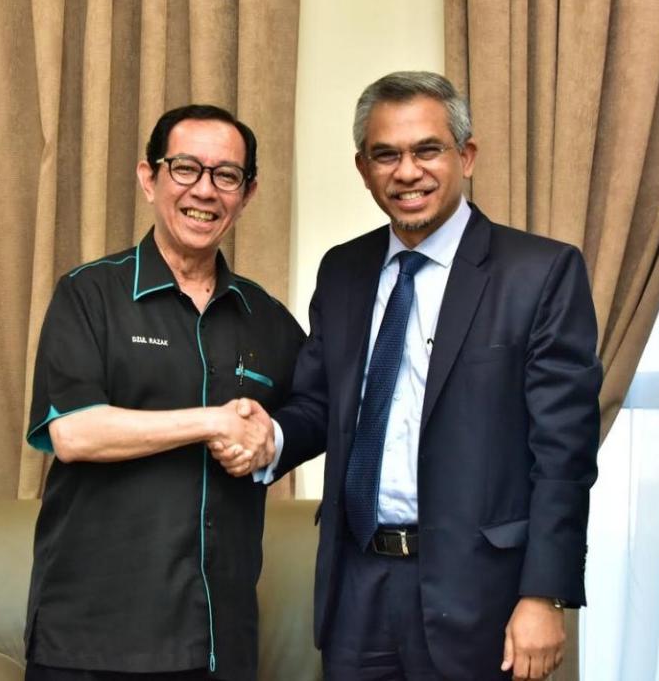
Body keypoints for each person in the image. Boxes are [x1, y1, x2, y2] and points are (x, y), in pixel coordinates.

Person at [216, 71, 602, 680]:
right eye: (386, 155)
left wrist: (544, 595)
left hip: (482, 595)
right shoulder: (343, 270)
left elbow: (564, 454)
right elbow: (318, 405)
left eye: (427, 150)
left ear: (466, 156)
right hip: (356, 588)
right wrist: (270, 437)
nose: (407, 171)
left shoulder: (541, 272)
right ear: (364, 168)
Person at [22, 104, 305, 681]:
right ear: (148, 178)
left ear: (246, 194)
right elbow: (72, 432)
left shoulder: (268, 318)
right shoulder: (89, 294)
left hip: (218, 640)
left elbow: (321, 412)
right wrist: (212, 422)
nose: (205, 190)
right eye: (185, 169)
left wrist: (269, 440)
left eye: (226, 176)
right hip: (91, 636)